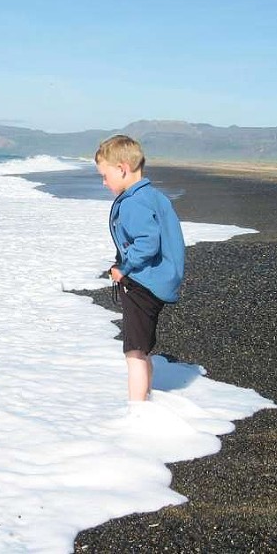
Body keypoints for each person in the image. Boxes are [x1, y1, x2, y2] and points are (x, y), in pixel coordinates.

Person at [95, 135, 185, 403]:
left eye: (105, 175)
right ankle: (147, 394)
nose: (103, 182)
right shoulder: (154, 196)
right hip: (161, 280)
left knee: (134, 352)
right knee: (142, 347)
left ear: (122, 168)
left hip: (143, 283)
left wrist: (124, 267)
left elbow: (147, 243)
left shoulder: (134, 202)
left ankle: (138, 409)